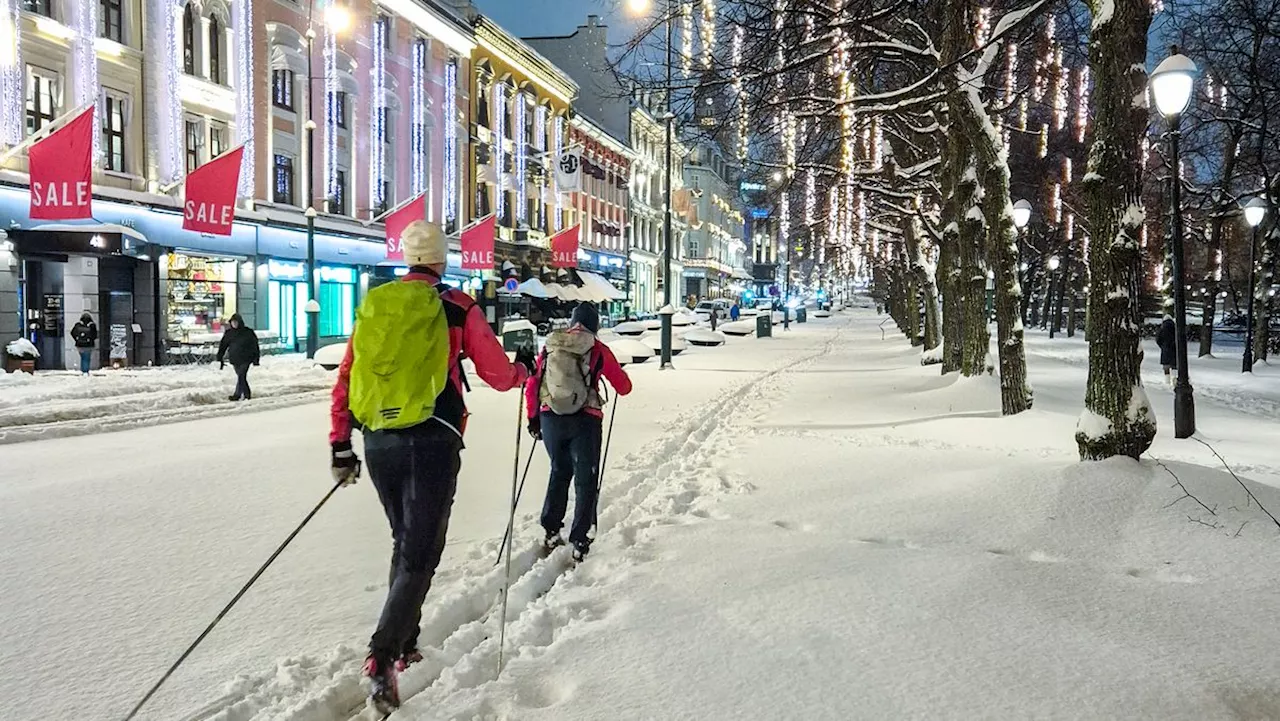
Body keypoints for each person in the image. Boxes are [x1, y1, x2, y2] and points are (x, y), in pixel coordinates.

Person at [329, 220, 535, 713]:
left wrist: (341, 441)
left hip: (378, 441)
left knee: (406, 541)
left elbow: (348, 373)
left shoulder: (377, 304)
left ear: (406, 258)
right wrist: (522, 371)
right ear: (441, 260)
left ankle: (405, 642)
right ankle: (381, 656)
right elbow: (495, 372)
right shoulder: (456, 306)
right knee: (422, 551)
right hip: (432, 440)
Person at [525, 303, 631, 563]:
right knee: (586, 479)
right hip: (585, 420)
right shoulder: (597, 349)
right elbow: (623, 386)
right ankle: (580, 540)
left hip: (551, 418)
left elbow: (533, 383)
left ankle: (551, 529)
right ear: (594, 325)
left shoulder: (551, 345)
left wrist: (533, 418)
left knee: (558, 471)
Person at [216, 314, 260, 401]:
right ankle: (239, 394)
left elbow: (255, 346)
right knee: (241, 377)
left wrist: (256, 359)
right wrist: (220, 356)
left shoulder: (248, 332)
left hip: (246, 358)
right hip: (235, 359)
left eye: (236, 322)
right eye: (233, 322)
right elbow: (223, 345)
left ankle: (243, 394)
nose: (234, 324)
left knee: (241, 376)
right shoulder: (229, 333)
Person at [1155, 314, 1177, 386]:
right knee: (1174, 366)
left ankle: (1167, 381)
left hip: (1165, 349)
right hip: (1174, 349)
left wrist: (1162, 346)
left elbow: (1158, 339)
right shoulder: (1175, 328)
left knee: (1166, 367)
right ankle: (1174, 380)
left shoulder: (1162, 329)